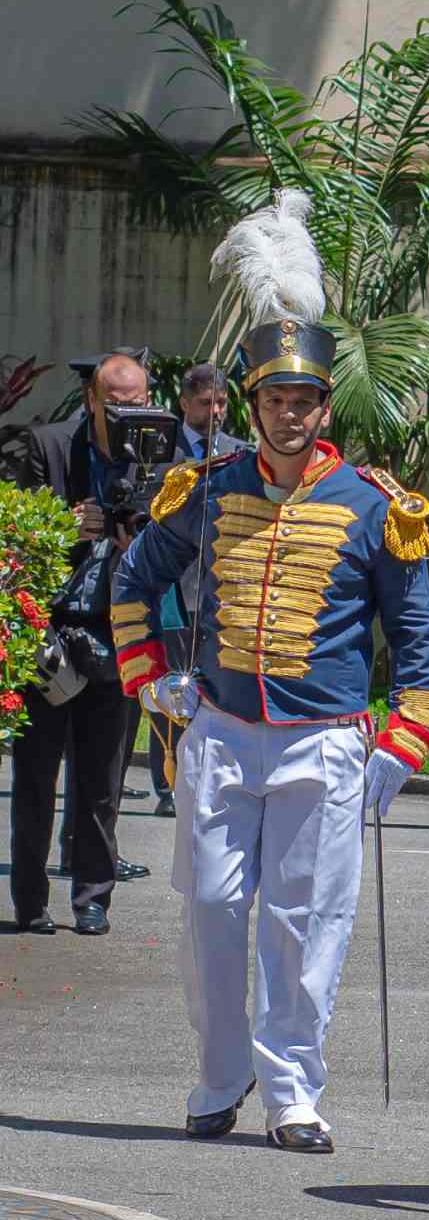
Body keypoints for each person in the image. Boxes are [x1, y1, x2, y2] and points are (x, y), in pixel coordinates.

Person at [112, 189, 429, 1153]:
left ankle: (293, 1088)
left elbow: (413, 636)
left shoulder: (380, 507)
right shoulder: (206, 491)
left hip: (326, 743)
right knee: (213, 910)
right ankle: (220, 1074)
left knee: (304, 925)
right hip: (219, 733)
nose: (289, 414)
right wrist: (150, 679)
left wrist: (404, 739)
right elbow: (137, 580)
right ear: (250, 403)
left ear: (324, 406)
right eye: (274, 399)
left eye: (304, 400)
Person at [13, 349, 153, 934]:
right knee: (35, 776)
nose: (130, 415)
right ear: (92, 399)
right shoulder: (46, 447)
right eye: (118, 404)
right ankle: (29, 899)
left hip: (114, 633)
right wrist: (62, 525)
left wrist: (135, 539)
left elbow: (168, 542)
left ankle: (93, 896)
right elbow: (14, 528)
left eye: (139, 403)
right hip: (48, 631)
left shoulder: (153, 458)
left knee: (102, 780)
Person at [140, 362, 249, 817]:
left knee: (211, 681)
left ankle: (205, 773)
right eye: (206, 403)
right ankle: (167, 780)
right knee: (173, 682)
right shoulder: (161, 451)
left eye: (221, 402)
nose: (216, 411)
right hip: (172, 587)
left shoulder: (241, 452)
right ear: (185, 403)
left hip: (219, 587)